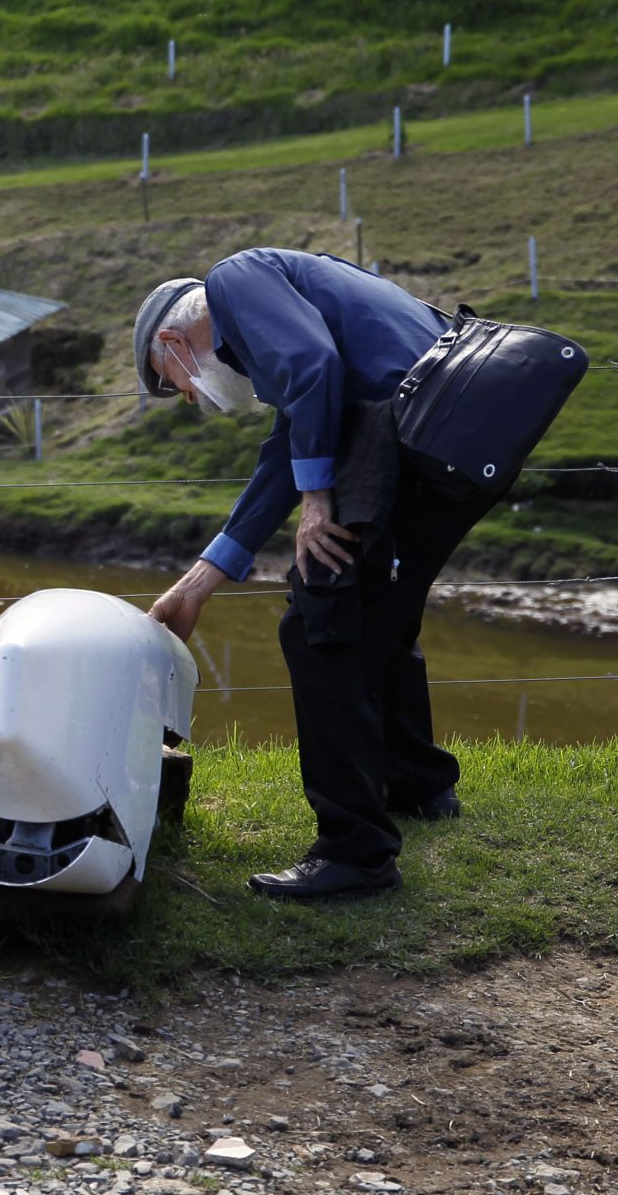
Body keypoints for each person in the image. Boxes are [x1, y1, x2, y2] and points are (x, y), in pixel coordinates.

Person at [132, 249, 496, 903]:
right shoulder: (274, 314)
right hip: (455, 432)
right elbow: (287, 452)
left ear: (173, 340)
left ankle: (355, 853)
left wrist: (319, 499)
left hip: (408, 430)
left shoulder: (234, 280)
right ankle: (416, 784)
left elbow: (314, 368)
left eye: (174, 383)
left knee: (320, 626)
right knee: (379, 609)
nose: (191, 399)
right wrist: (194, 587)